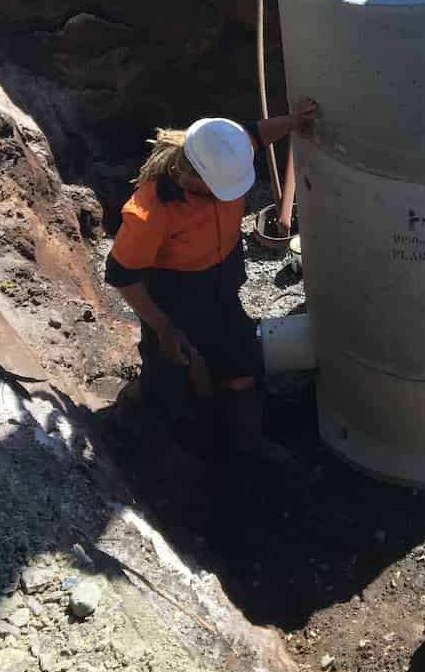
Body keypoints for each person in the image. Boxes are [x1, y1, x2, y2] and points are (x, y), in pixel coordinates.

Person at [105, 101, 318, 460]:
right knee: (170, 376)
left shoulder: (224, 147)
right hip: (173, 298)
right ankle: (137, 418)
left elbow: (255, 132)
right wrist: (164, 330)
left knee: (241, 363)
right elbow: (121, 274)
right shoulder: (151, 211)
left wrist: (294, 122)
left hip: (220, 286)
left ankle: (244, 447)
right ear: (193, 176)